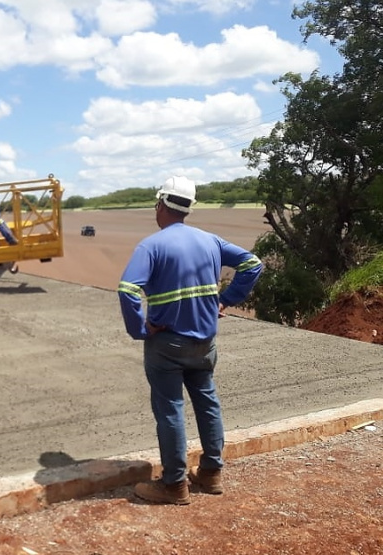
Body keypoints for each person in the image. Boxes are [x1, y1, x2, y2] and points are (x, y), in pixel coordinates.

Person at [117, 176, 263, 505]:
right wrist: (225, 300)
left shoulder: (152, 246)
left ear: (160, 204)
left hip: (166, 344)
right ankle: (211, 473)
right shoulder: (210, 241)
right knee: (207, 403)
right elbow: (253, 263)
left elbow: (127, 289)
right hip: (205, 343)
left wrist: (140, 329)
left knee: (170, 410)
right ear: (188, 208)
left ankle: (174, 485)